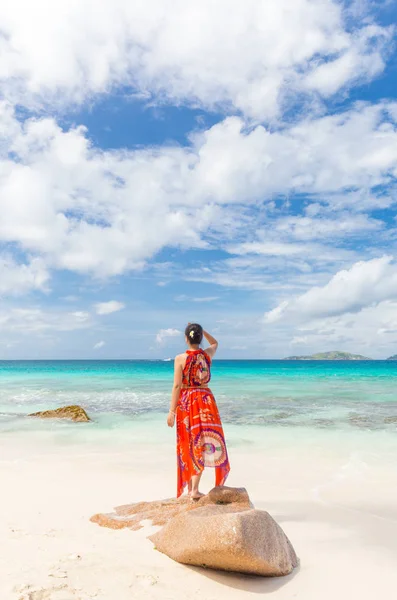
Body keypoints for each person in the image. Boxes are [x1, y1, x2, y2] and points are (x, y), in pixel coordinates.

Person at [167, 323, 230, 499]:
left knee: (190, 442)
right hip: (206, 400)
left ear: (186, 338)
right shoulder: (207, 355)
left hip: (188, 402)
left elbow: (177, 385)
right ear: (200, 338)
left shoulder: (180, 358)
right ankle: (194, 488)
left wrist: (172, 411)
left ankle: (193, 489)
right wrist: (204, 332)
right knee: (203, 442)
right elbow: (215, 343)